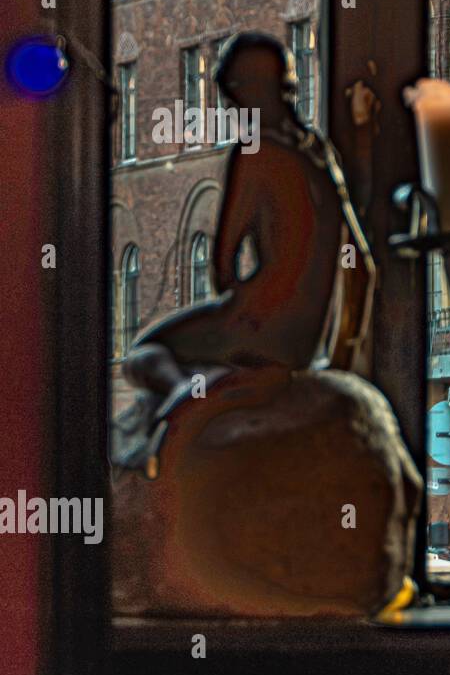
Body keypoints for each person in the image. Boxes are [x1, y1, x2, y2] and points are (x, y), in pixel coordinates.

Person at [111, 32, 374, 477]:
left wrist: (243, 307)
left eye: (231, 96)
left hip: (259, 331)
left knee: (143, 352)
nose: (230, 110)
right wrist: (339, 360)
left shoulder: (255, 152)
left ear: (245, 92)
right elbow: (364, 266)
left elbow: (221, 266)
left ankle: (183, 398)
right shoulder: (320, 153)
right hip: (305, 343)